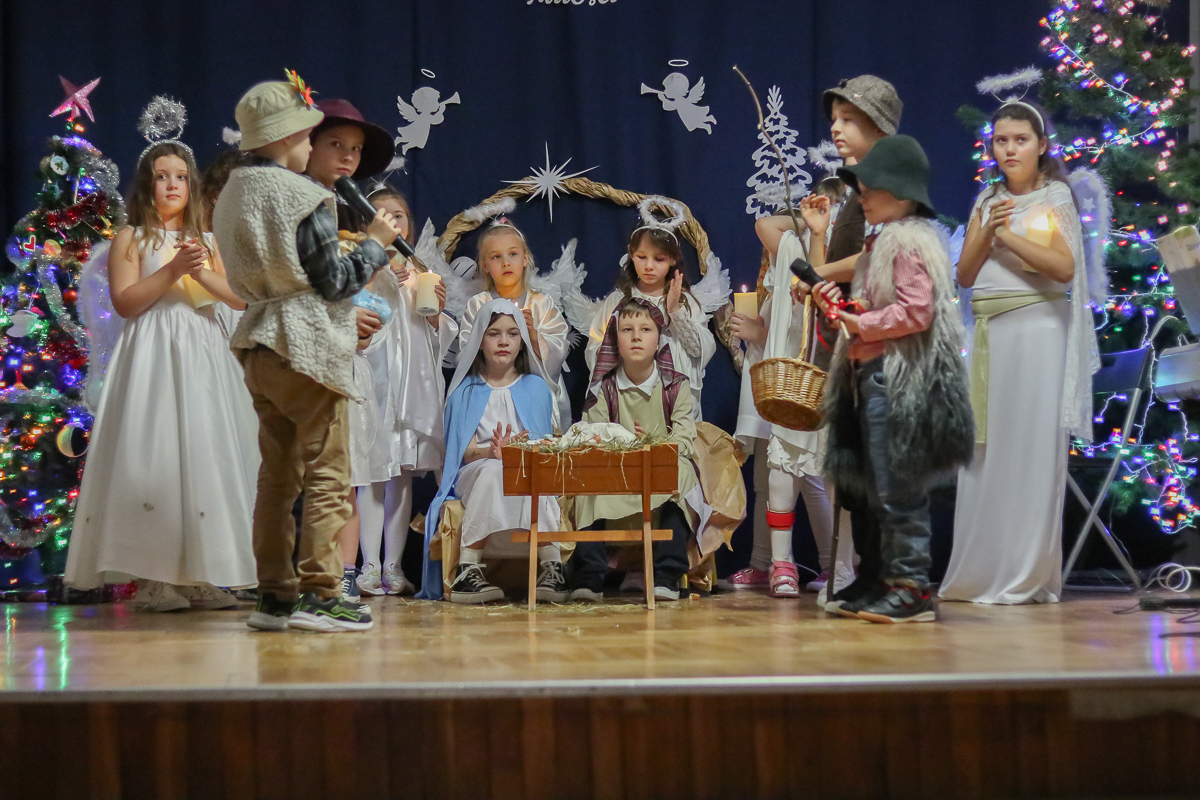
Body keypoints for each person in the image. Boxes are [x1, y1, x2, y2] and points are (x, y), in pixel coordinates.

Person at [212, 74, 404, 632]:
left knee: (277, 477)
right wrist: (375, 245)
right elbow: (334, 281)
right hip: (304, 345)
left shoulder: (232, 193)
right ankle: (321, 592)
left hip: (259, 340)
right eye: (309, 133)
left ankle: (274, 595)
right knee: (328, 471)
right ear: (290, 135)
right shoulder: (305, 197)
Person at [65, 106, 258, 611]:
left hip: (202, 350)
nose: (172, 185)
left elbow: (237, 299)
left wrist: (199, 268)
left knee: (204, 452)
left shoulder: (207, 241)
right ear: (146, 186)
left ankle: (200, 573)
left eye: (180, 177)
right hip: (153, 350)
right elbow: (127, 302)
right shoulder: (131, 238)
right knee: (155, 454)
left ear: (192, 186)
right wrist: (172, 270)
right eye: (161, 176)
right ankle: (152, 576)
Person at [813, 135, 974, 623]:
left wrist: (863, 321)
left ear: (901, 192)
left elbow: (917, 311)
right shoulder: (881, 243)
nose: (861, 196)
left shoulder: (907, 240)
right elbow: (880, 307)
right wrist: (845, 309)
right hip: (869, 375)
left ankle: (912, 587)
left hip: (893, 377)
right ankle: (884, 579)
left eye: (871, 187)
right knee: (877, 488)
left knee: (898, 488)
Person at [940, 101, 1096, 605]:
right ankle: (981, 570)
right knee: (988, 451)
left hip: (1038, 333)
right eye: (1001, 140)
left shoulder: (1055, 196)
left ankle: (1024, 572)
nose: (1009, 149)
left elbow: (1064, 268)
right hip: (992, 336)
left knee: (1029, 447)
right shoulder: (988, 199)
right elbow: (964, 274)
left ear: (1041, 145)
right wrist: (987, 230)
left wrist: (1005, 236)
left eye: (1020, 139)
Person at [302, 98, 397, 598]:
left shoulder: (341, 214)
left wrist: (365, 321)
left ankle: (340, 576)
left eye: (356, 149)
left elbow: (359, 293)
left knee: (343, 477)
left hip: (344, 361)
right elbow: (290, 289)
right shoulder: (295, 205)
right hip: (302, 362)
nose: (347, 157)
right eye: (336, 143)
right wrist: (343, 318)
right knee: (295, 478)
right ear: (308, 144)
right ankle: (297, 579)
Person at [727, 219, 850, 599]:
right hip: (775, 387)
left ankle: (831, 563)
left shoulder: (813, 273)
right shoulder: (776, 291)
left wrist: (810, 221)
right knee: (770, 474)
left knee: (812, 476)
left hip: (807, 385)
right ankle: (769, 562)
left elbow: (806, 332)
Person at [417, 299, 567, 604]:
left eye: (512, 334)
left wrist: (517, 453)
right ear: (479, 341)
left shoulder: (536, 388)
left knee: (530, 475)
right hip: (477, 470)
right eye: (494, 334)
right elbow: (465, 452)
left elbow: (544, 446)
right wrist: (493, 452)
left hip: (523, 466)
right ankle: (468, 570)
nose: (503, 341)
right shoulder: (465, 391)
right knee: (492, 471)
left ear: (522, 341)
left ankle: (552, 568)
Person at [351, 183, 456, 596]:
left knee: (401, 477)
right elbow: (355, 323)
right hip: (376, 384)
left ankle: (393, 565)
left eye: (398, 215)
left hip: (410, 390)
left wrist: (436, 315)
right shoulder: (359, 267)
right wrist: (379, 284)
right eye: (383, 215)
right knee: (370, 475)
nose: (392, 221)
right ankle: (367, 565)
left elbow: (435, 338)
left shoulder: (420, 272)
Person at [570, 299, 707, 602]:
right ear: (615, 339)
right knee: (585, 479)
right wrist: (620, 445)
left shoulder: (676, 387)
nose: (636, 337)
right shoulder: (604, 388)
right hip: (615, 472)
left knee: (682, 471)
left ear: (658, 340)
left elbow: (685, 439)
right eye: (627, 329)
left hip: (658, 472)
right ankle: (589, 575)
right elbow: (591, 433)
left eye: (645, 329)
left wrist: (654, 443)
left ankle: (666, 574)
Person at [587, 204, 716, 420]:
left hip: (669, 400)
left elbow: (698, 351)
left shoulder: (684, 302)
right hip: (628, 397)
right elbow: (596, 349)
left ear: (673, 259)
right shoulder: (618, 301)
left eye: (659, 259)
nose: (649, 266)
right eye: (642, 257)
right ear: (631, 254)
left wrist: (675, 311)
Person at [458, 218, 572, 429]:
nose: (506, 263)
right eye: (496, 257)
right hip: (491, 394)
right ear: (485, 265)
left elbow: (558, 350)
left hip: (534, 394)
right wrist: (488, 335)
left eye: (513, 254)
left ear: (525, 259)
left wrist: (534, 336)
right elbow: (466, 352)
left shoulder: (541, 303)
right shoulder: (478, 305)